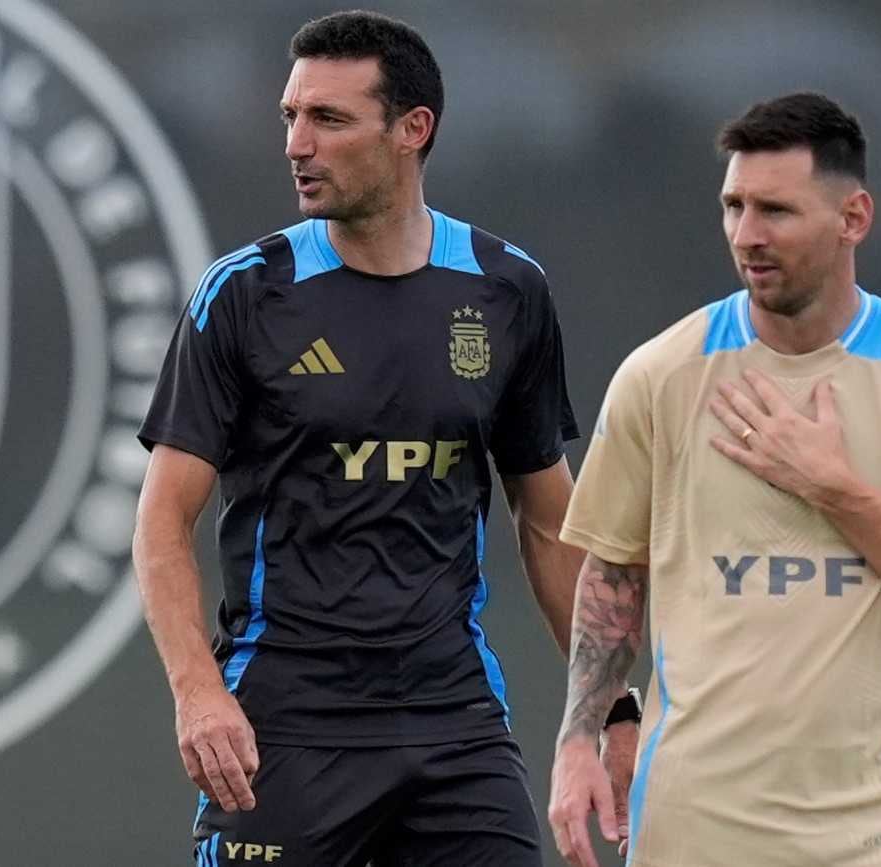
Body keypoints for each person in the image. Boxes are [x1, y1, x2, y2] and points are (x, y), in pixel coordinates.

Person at [132, 11, 637, 866]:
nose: (297, 143)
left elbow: (551, 524)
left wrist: (612, 709)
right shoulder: (245, 294)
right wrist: (198, 694)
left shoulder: (507, 290)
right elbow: (160, 524)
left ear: (413, 130)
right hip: (284, 728)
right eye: (290, 116)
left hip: (455, 723)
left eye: (328, 119)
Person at [548, 92, 881, 867]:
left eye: (776, 210)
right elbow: (613, 575)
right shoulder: (661, 374)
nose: (747, 235)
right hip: (690, 830)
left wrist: (833, 486)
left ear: (853, 218)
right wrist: (577, 741)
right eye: (734, 206)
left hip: (880, 832)